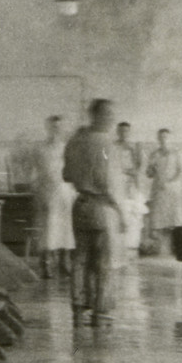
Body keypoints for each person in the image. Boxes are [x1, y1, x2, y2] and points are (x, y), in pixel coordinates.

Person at [62, 99, 122, 326]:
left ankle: (78, 308)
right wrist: (121, 212)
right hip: (102, 206)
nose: (111, 120)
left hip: (80, 205)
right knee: (103, 262)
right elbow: (108, 184)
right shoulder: (106, 143)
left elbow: (66, 175)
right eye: (108, 115)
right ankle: (101, 312)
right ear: (96, 116)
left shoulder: (75, 140)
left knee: (80, 259)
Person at [33, 115, 76, 280]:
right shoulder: (40, 149)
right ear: (48, 128)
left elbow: (72, 170)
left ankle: (65, 264)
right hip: (47, 192)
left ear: (62, 129)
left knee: (66, 229)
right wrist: (38, 190)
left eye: (59, 127)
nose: (56, 130)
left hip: (65, 192)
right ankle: (46, 264)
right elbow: (36, 172)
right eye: (53, 127)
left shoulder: (67, 148)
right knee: (48, 229)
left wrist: (72, 189)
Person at [144, 128, 182, 253]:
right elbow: (149, 173)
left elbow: (181, 171)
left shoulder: (177, 153)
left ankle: (178, 250)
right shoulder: (155, 154)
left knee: (175, 219)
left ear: (170, 138)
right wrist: (151, 169)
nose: (163, 140)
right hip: (159, 190)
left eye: (166, 137)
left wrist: (169, 182)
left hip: (173, 190)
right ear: (158, 139)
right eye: (161, 137)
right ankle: (162, 250)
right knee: (158, 220)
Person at [113, 121, 146, 259]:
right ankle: (118, 247)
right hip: (117, 183)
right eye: (121, 131)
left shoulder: (135, 148)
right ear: (117, 132)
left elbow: (140, 167)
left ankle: (132, 248)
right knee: (119, 213)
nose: (124, 134)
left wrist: (133, 173)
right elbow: (109, 165)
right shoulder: (112, 147)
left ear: (129, 132)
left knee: (133, 214)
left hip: (131, 184)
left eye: (126, 131)